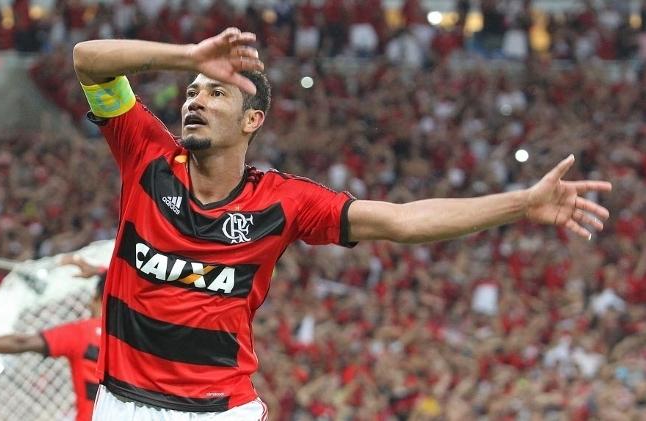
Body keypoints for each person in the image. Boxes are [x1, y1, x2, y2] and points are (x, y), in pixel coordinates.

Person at [71, 28, 612, 420]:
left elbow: (403, 221)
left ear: (252, 120)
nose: (196, 100)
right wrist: (187, 56)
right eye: (192, 91)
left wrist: (521, 203)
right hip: (123, 403)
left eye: (216, 93)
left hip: (219, 411)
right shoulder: (144, 154)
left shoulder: (284, 201)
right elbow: (87, 58)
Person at [0, 258, 106, 421]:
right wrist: (101, 271)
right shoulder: (129, 333)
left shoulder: (81, 333)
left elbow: (21, 343)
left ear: (96, 298)